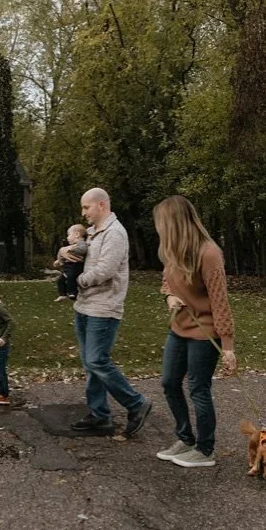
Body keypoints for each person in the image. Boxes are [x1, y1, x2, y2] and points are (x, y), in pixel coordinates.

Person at [152, 195, 236, 468]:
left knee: (198, 388)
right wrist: (169, 297)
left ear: (175, 223)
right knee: (169, 382)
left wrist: (228, 347)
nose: (158, 228)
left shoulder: (209, 253)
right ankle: (185, 439)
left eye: (162, 223)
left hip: (204, 332)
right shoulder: (172, 250)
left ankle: (205, 450)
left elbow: (220, 301)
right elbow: (167, 281)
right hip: (179, 328)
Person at [70, 188, 152, 438]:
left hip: (104, 308)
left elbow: (105, 269)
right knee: (90, 364)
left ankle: (136, 403)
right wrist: (65, 253)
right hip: (84, 306)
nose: (83, 213)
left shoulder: (115, 233)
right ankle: (100, 415)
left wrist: (79, 281)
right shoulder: (94, 233)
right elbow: (78, 254)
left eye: (87, 207)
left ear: (101, 205)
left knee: (97, 360)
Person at [52, 223, 88, 300]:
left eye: (69, 235)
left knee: (71, 278)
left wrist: (71, 249)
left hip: (76, 266)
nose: (67, 237)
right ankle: (62, 294)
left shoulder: (81, 243)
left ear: (76, 234)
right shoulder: (73, 245)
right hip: (69, 267)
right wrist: (59, 261)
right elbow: (65, 255)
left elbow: (83, 250)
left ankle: (72, 293)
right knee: (60, 280)